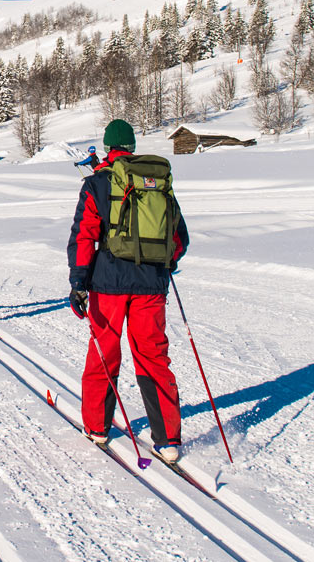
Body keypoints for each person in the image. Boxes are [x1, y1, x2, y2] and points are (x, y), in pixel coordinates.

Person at [67, 118, 191, 464]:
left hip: (108, 284)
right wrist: (164, 263)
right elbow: (179, 238)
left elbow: (84, 237)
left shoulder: (97, 184)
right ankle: (167, 439)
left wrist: (78, 282)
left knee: (104, 352)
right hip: (151, 285)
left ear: (107, 147)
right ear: (132, 146)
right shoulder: (157, 182)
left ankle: (97, 427)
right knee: (153, 356)